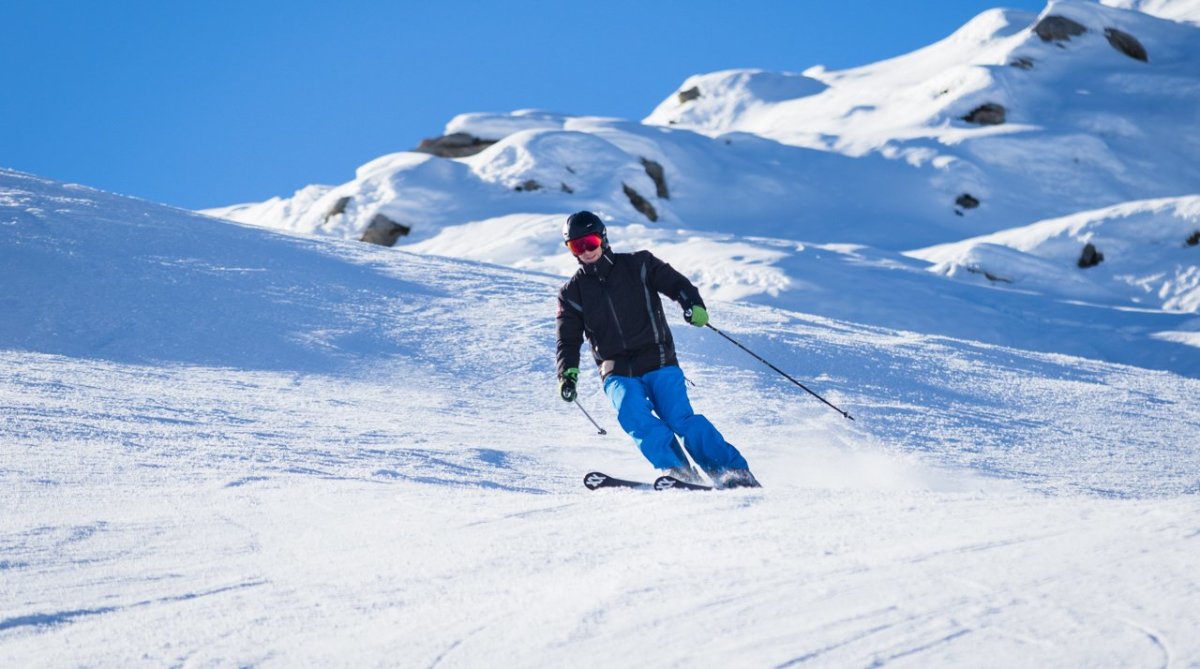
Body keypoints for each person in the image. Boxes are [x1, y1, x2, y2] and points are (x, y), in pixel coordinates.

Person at [555, 211, 761, 489]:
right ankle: (679, 472)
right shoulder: (572, 293)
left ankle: (731, 471)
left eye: (590, 242)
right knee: (633, 415)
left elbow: (678, 284)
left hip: (658, 359)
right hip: (616, 369)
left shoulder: (639, 264)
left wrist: (692, 305)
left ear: (603, 239)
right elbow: (567, 339)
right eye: (576, 246)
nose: (586, 251)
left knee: (679, 418)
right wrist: (567, 373)